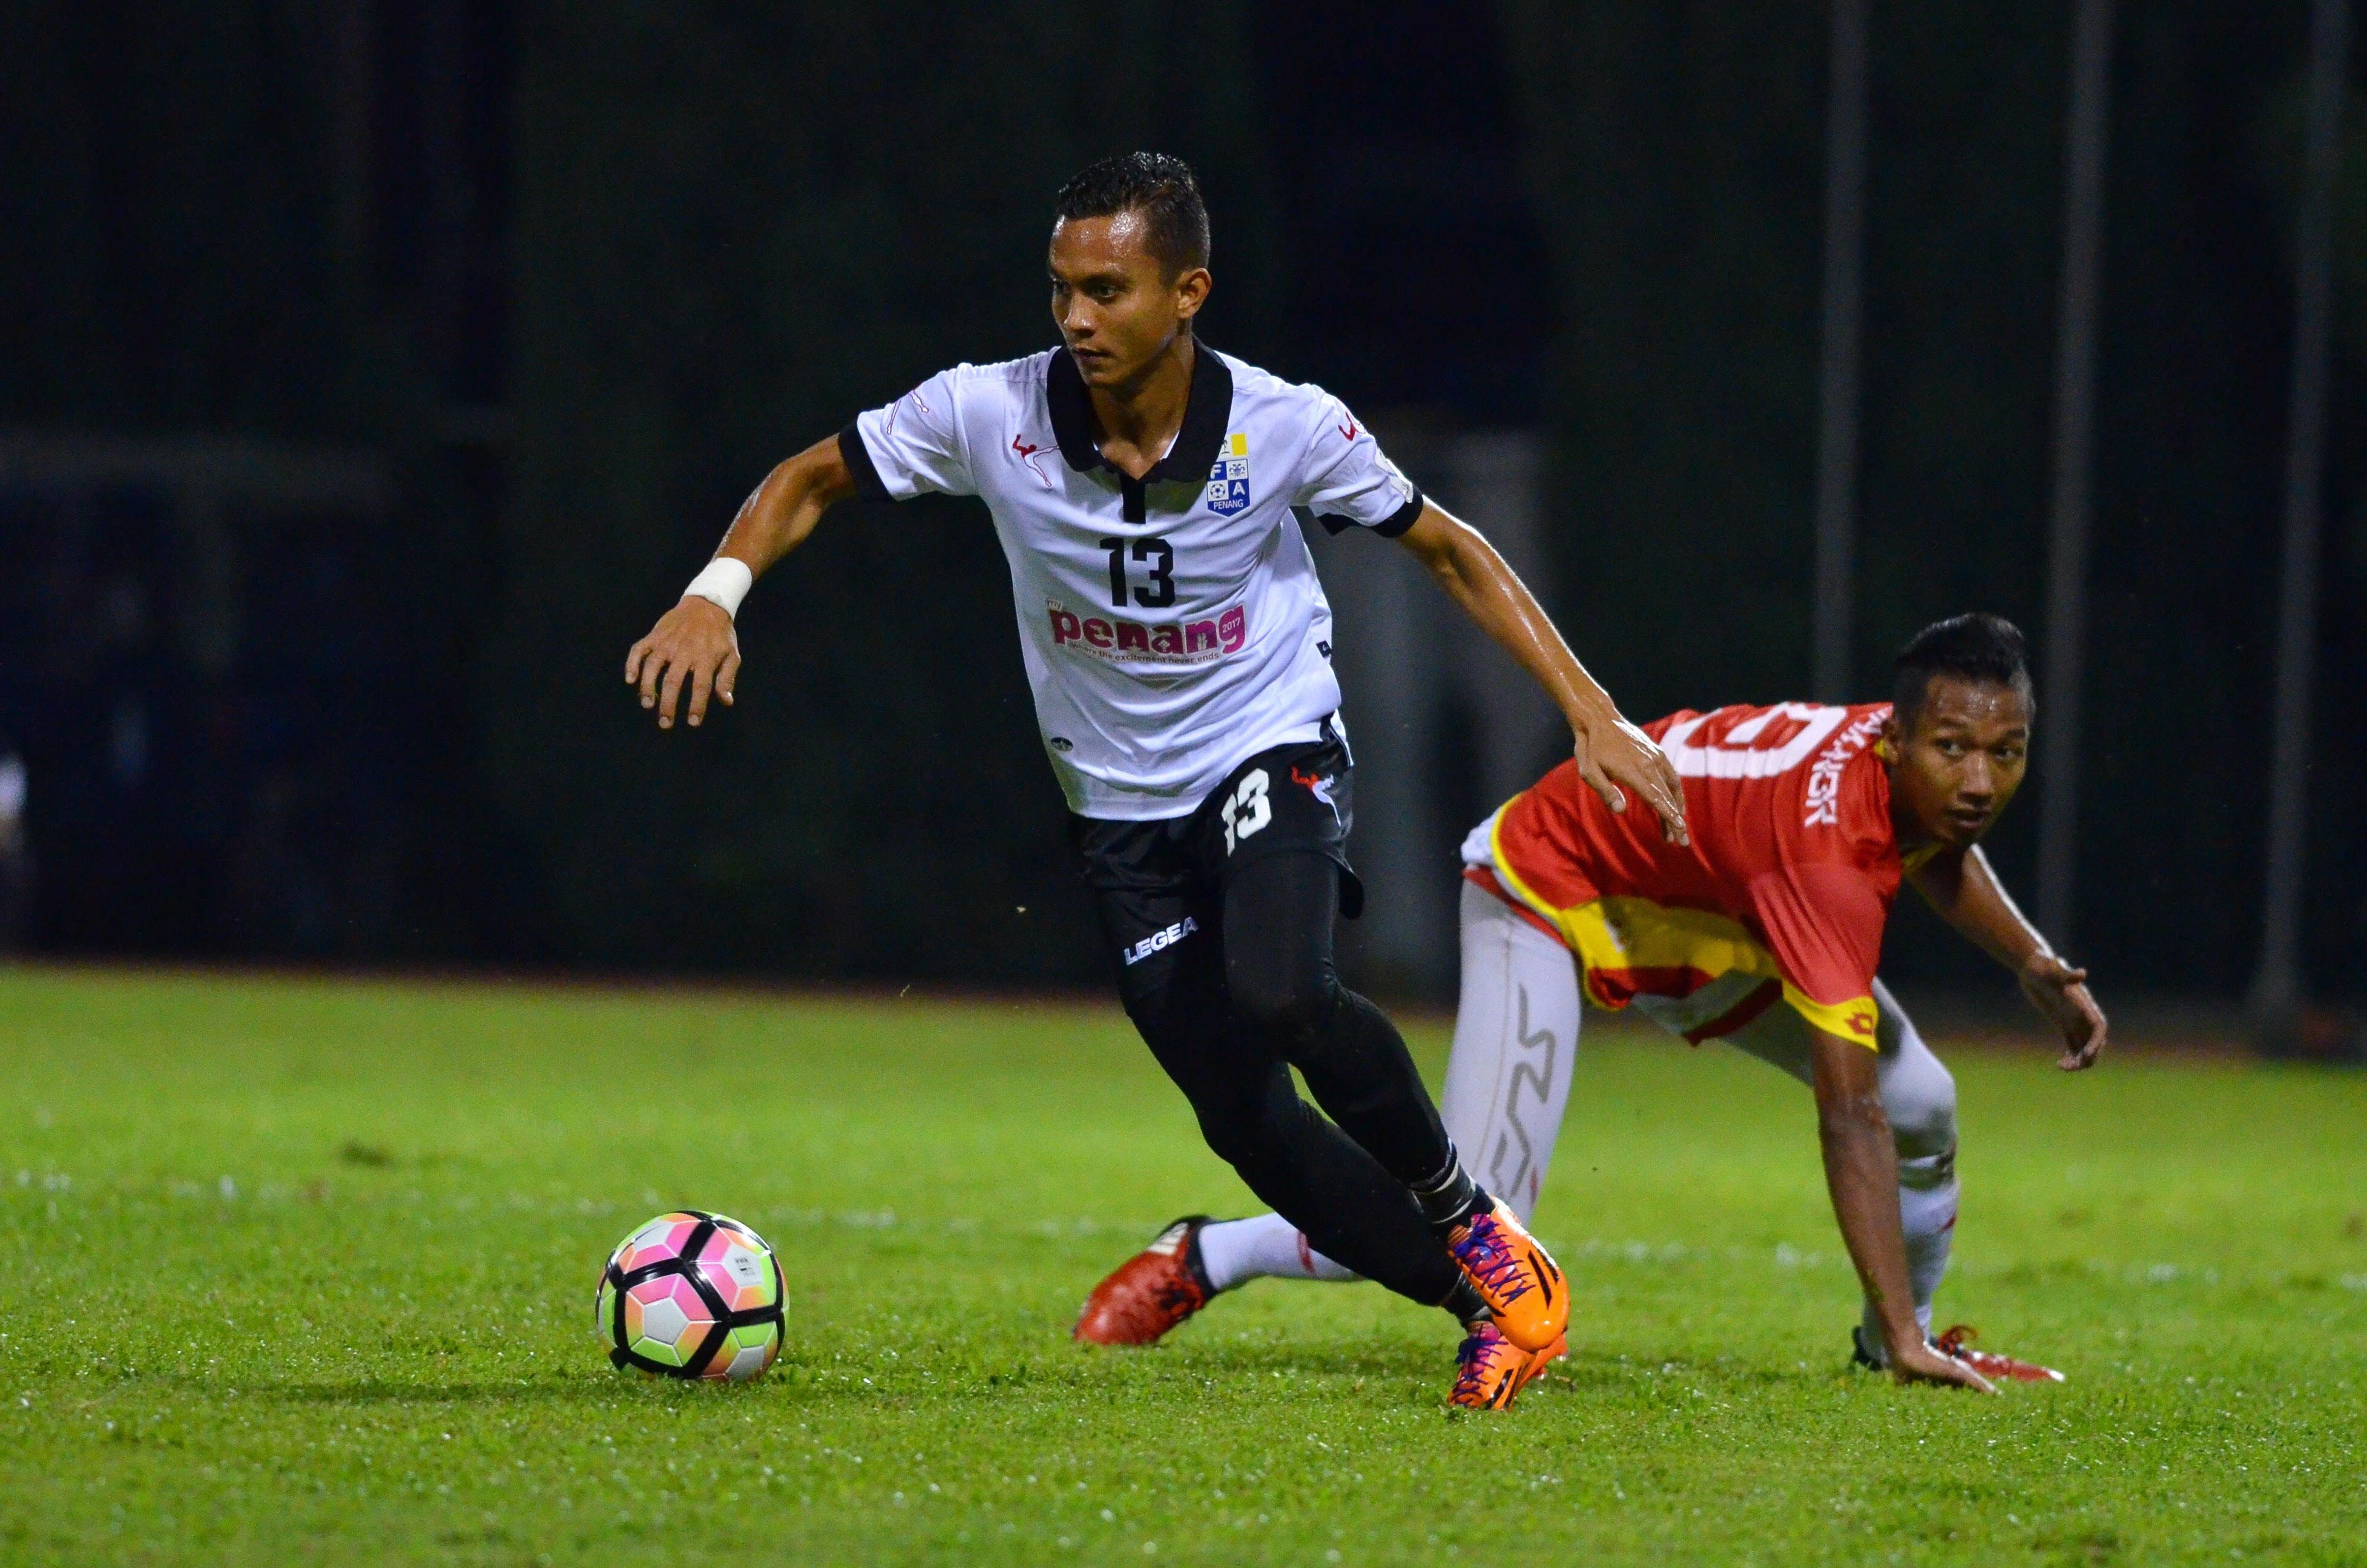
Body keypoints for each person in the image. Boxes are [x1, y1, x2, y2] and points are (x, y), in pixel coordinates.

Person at [623, 153, 1690, 1398]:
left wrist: (1591, 712)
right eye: (1060, 288)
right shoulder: (988, 410)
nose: (1075, 318)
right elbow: (810, 476)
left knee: (1283, 991)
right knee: (1243, 1119)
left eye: (1106, 290)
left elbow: (1448, 549)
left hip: (1265, 741)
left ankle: (1467, 1216)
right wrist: (714, 592)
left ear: (1188, 293)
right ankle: (1492, 1305)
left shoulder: (1281, 424)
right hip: (1117, 807)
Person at [1075, 614, 2108, 1408]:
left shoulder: (1902, 762)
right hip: (1545, 886)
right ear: (1893, 737)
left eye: (2005, 751)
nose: (1978, 780)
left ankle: (1897, 1340)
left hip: (1699, 916)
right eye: (1953, 749)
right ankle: (1207, 1254)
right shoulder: (1826, 851)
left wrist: (2030, 960)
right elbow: (1848, 1115)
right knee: (1476, 1227)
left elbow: (1938, 842)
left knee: (1924, 1097)